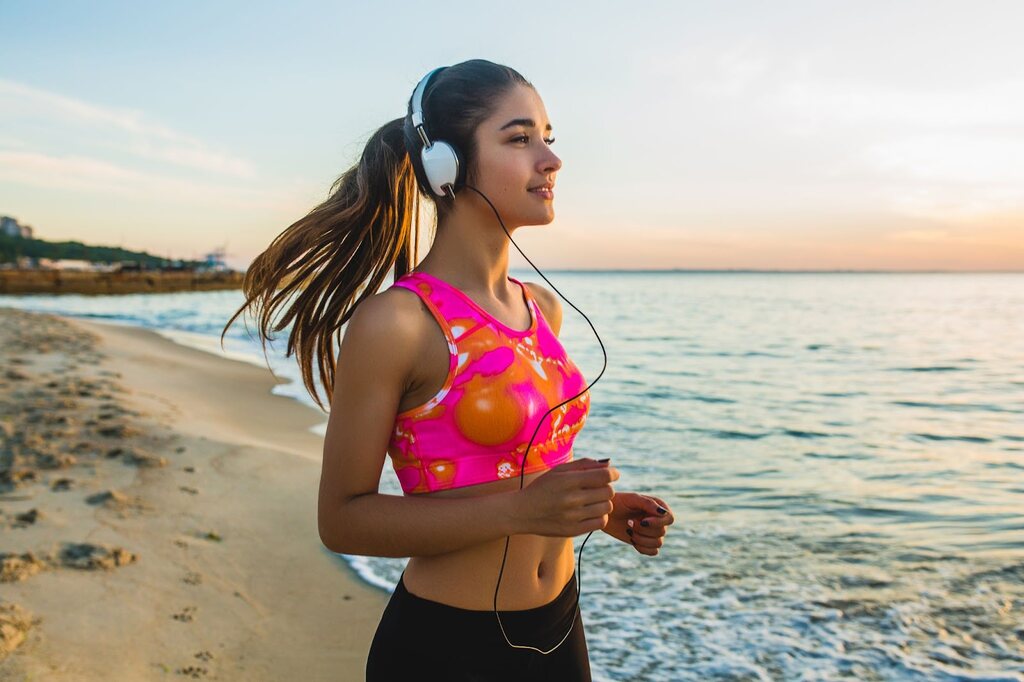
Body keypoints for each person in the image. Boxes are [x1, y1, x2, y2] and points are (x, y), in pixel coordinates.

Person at [223, 59, 675, 681]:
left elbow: (518, 476)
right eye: (519, 139)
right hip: (447, 649)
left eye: (548, 137)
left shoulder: (541, 308)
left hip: (560, 631)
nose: (550, 159)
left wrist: (600, 512)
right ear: (448, 165)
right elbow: (343, 518)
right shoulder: (399, 323)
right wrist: (523, 512)